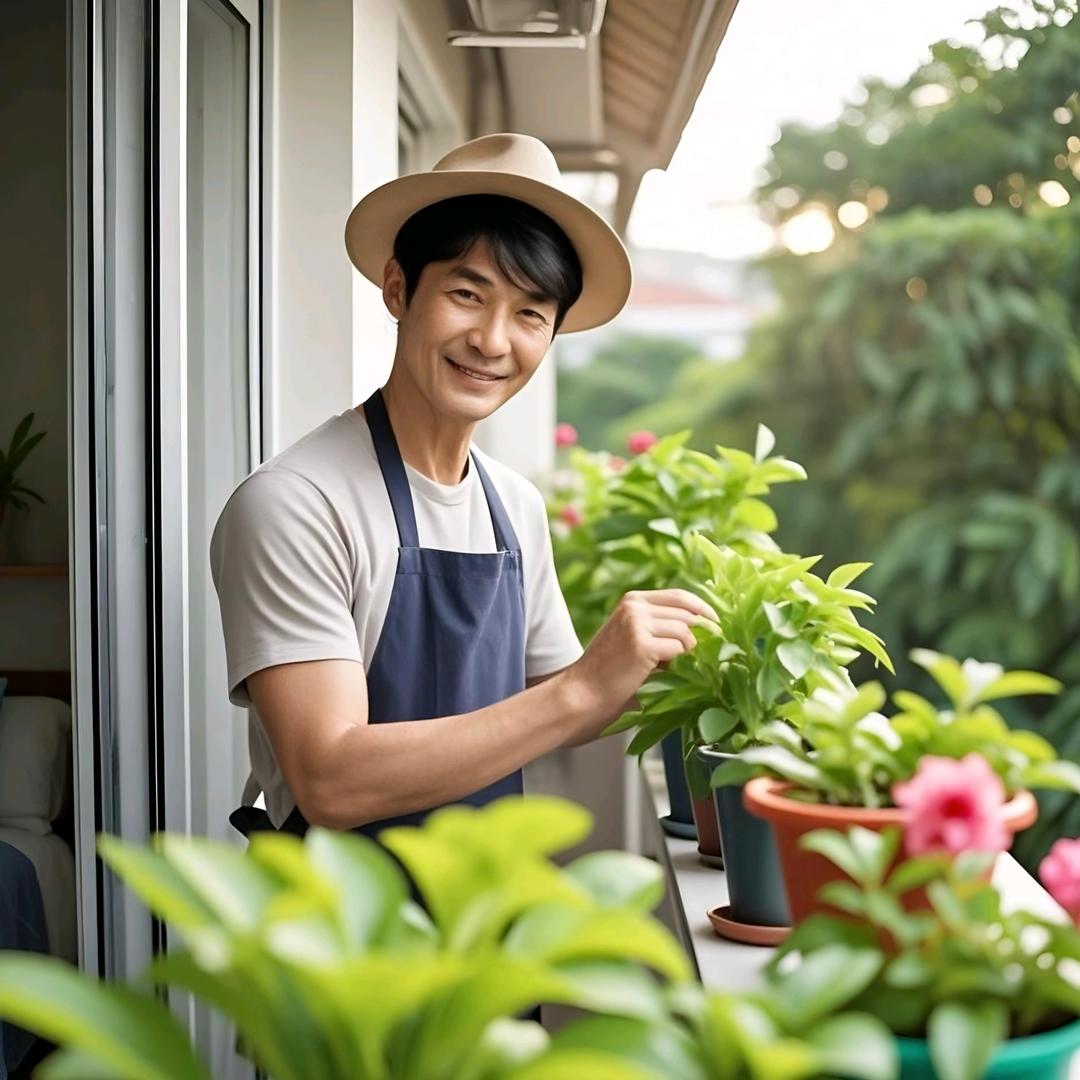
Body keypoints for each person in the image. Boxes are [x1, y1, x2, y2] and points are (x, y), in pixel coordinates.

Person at [211, 132, 715, 839]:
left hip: (476, 912)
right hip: (331, 926)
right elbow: (330, 779)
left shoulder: (514, 504)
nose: (493, 340)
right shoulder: (297, 502)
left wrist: (711, 673)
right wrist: (582, 687)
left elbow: (552, 699)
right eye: (466, 294)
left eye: (531, 314)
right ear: (397, 289)